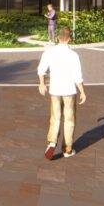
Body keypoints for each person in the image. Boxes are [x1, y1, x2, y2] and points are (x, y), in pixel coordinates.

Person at [37, 27, 86, 159]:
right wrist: (82, 92)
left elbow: (41, 70)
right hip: (69, 91)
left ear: (58, 37)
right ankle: (67, 149)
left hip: (55, 90)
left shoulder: (49, 52)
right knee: (69, 120)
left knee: (55, 117)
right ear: (69, 39)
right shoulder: (73, 55)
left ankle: (52, 141)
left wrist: (42, 84)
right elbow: (78, 77)